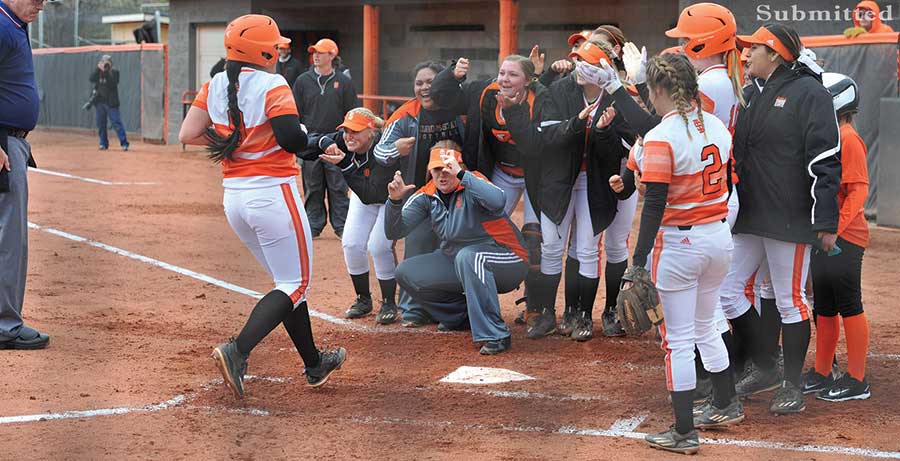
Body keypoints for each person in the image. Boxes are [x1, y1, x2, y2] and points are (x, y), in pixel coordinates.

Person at [179, 14, 346, 399]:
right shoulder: (273, 83)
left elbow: (188, 132)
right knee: (295, 284)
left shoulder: (215, 83)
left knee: (287, 284)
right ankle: (237, 351)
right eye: (275, 46)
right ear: (264, 52)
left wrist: (233, 143)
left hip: (235, 198)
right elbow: (290, 139)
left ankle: (314, 364)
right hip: (273, 194)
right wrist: (316, 141)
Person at [612, 53, 743, 455]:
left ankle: (684, 431)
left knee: (678, 341)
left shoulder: (661, 136)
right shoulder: (716, 125)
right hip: (718, 236)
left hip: (681, 245)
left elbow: (654, 203)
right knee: (706, 326)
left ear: (659, 90)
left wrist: (637, 262)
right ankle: (726, 402)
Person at [725, 23, 841, 414]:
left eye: (754, 48)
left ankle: (791, 384)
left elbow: (825, 160)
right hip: (751, 212)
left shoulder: (810, 92)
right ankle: (765, 364)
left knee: (789, 299)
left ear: (775, 53)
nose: (745, 55)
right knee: (729, 291)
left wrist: (825, 221)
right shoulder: (753, 92)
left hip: (789, 216)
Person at [430, 54, 562, 339]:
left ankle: (537, 308)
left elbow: (533, 146)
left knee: (535, 239)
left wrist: (513, 110)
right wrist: (452, 75)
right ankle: (468, 304)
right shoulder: (485, 93)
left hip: (535, 175)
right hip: (501, 171)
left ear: (528, 81)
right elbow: (442, 97)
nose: (504, 79)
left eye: (513, 75)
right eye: (502, 73)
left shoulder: (540, 98)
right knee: (475, 231)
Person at [525, 40, 635, 341]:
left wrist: (604, 131)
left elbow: (623, 149)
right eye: (579, 61)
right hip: (560, 178)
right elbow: (548, 135)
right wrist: (577, 123)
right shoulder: (562, 90)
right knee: (551, 246)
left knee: (587, 248)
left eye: (588, 63)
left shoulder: (616, 97)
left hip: (595, 179)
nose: (580, 67)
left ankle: (585, 315)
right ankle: (547, 312)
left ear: (604, 69)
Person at [384, 141, 529, 355]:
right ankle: (462, 316)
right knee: (406, 272)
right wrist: (394, 202)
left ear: (458, 167)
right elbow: (394, 232)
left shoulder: (473, 181)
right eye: (436, 169)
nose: (442, 175)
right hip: (460, 260)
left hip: (508, 258)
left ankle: (496, 334)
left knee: (469, 257)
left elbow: (499, 200)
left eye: (447, 168)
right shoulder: (427, 195)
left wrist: (462, 175)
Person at [374, 61, 465, 326]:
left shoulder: (458, 110)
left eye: (431, 82)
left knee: (453, 250)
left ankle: (446, 307)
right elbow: (380, 151)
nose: (425, 88)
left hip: (457, 192)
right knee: (416, 247)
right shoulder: (406, 115)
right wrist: (396, 149)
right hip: (420, 193)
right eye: (419, 83)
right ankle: (412, 308)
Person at [801, 73, 871, 402]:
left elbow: (858, 192)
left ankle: (857, 379)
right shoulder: (831, 136)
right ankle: (823, 370)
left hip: (845, 237)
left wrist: (835, 229)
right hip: (825, 234)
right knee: (825, 306)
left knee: (849, 304)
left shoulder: (848, 138)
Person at [314, 108, 399, 322]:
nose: (348, 136)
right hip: (364, 195)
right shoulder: (346, 141)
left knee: (378, 246)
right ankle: (363, 299)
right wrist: (325, 143)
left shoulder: (382, 149)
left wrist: (345, 165)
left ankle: (389, 302)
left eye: (355, 131)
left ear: (371, 132)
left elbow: (372, 194)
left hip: (390, 198)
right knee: (351, 244)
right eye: (346, 131)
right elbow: (313, 141)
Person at [0, 0, 49, 350]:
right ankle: (5, 326)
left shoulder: (13, 24)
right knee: (9, 239)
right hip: (4, 145)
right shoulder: (3, 26)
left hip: (10, 141)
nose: (41, 6)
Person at [293, 38, 359, 239]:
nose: (316, 55)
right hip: (311, 142)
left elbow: (352, 113)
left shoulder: (344, 82)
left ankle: (342, 226)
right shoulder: (302, 81)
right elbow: (295, 112)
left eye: (320, 52)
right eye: (314, 52)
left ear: (332, 55)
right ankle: (313, 225)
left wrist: (349, 139)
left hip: (337, 143)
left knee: (338, 187)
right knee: (313, 187)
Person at [90, 54, 130, 151]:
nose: (105, 64)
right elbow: (91, 79)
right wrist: (98, 69)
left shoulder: (115, 72)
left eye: (107, 62)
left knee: (117, 123)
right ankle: (103, 143)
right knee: (101, 124)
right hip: (100, 103)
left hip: (111, 103)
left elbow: (112, 83)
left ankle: (124, 143)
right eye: (103, 62)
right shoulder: (98, 72)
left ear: (111, 63)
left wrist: (106, 71)